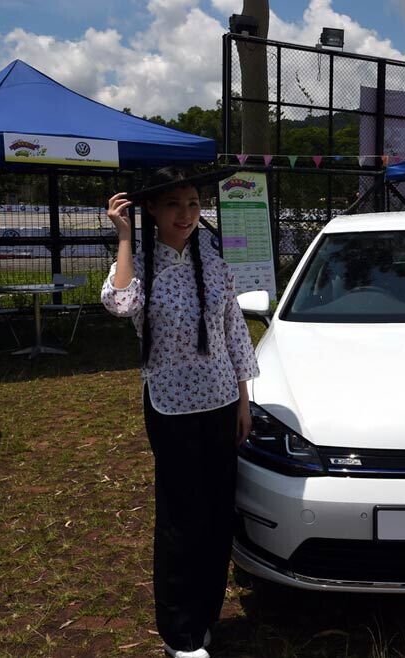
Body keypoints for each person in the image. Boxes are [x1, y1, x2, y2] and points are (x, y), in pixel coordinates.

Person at [101, 167, 258, 658]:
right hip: (171, 408)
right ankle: (179, 633)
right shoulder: (140, 265)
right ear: (151, 209)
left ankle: (205, 616)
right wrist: (124, 237)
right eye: (174, 205)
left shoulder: (211, 259)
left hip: (220, 404)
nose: (187, 214)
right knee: (180, 519)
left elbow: (232, 328)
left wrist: (243, 400)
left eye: (193, 203)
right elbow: (119, 302)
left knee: (215, 514)